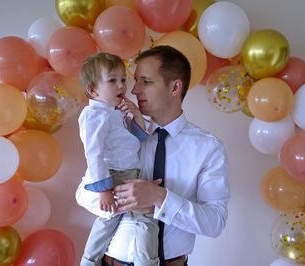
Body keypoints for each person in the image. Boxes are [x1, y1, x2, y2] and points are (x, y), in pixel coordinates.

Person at [76, 46, 230, 266]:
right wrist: (122, 198)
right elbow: (82, 194)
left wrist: (160, 199)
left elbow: (215, 223)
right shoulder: (122, 135)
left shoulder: (208, 148)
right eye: (135, 80)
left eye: (146, 82)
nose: (134, 90)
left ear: (175, 87)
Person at [78, 52, 160, 266]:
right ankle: (91, 260)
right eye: (112, 80)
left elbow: (137, 140)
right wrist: (104, 189)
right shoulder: (95, 115)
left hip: (129, 175)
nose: (121, 86)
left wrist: (137, 116)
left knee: (131, 219)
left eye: (123, 79)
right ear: (93, 90)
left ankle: (91, 261)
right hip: (114, 176)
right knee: (119, 218)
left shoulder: (114, 113)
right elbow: (93, 153)